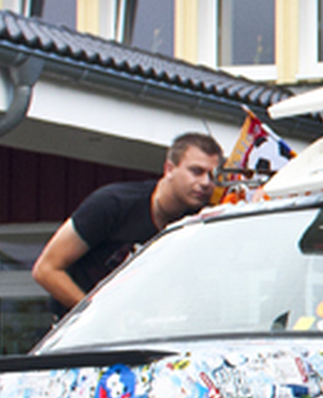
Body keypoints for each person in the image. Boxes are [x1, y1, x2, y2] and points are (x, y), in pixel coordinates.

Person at [33, 132, 224, 309]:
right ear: (169, 169)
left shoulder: (199, 220)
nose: (206, 183)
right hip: (80, 332)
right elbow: (46, 270)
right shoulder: (112, 204)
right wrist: (96, 317)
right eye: (196, 171)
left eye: (212, 175)